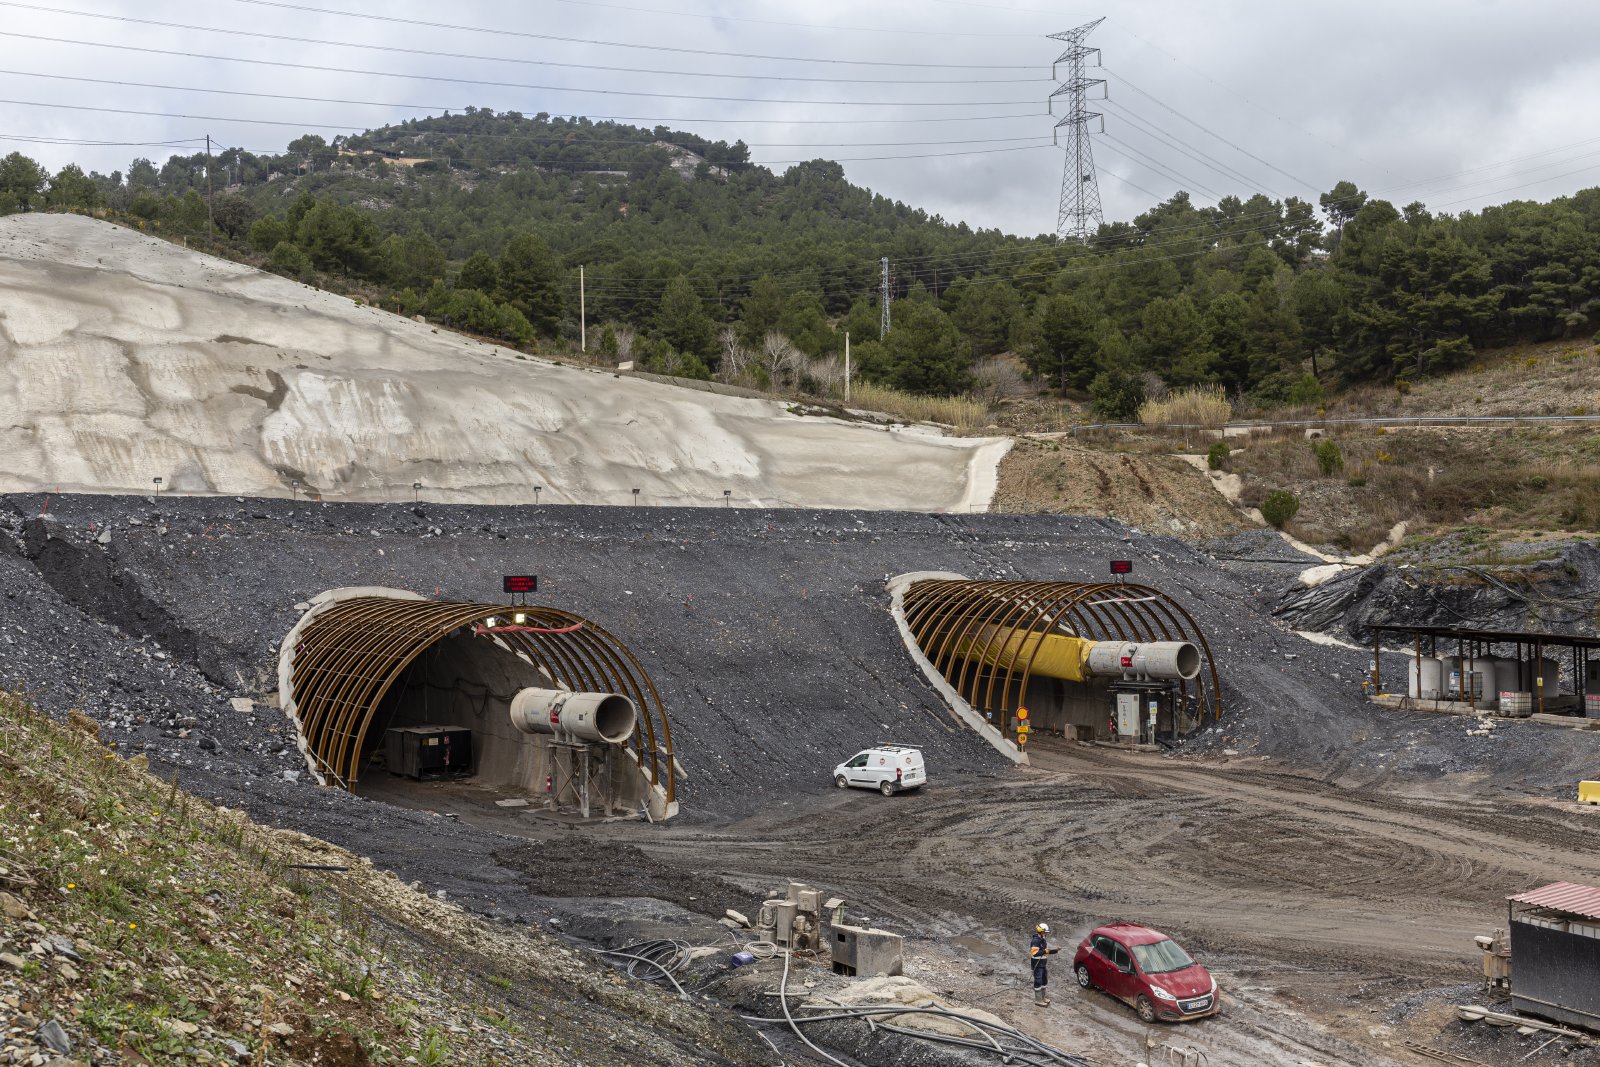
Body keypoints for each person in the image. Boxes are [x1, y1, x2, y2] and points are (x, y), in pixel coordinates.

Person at [1029, 922, 1059, 1006]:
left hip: (1042, 964)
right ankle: (1038, 1000)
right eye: (1044, 932)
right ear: (1040, 931)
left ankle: (1043, 998)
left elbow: (1046, 951)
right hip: (1037, 965)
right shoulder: (1035, 941)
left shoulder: (1042, 940)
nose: (1046, 933)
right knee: (1038, 981)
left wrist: (1055, 950)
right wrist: (1045, 951)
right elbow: (1034, 953)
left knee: (1044, 980)